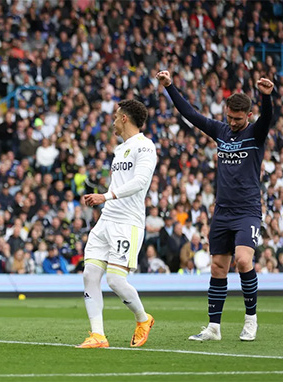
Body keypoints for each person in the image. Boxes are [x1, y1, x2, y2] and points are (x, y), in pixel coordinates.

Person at [157, 71, 274, 342]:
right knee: (217, 269)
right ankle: (213, 328)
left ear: (248, 115)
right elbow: (191, 114)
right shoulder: (220, 130)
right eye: (229, 117)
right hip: (222, 212)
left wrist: (267, 97)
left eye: (237, 118)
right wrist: (170, 87)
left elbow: (267, 117)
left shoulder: (256, 133)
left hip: (247, 211)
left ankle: (250, 321)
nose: (232, 122)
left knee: (244, 260)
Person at [76, 99, 157, 349]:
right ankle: (98, 335)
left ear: (124, 118)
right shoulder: (120, 149)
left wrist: (106, 196)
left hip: (127, 222)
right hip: (107, 220)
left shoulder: (145, 147)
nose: (112, 121)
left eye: (115, 116)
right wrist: (106, 199)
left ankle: (143, 319)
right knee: (89, 274)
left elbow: (141, 181)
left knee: (115, 281)